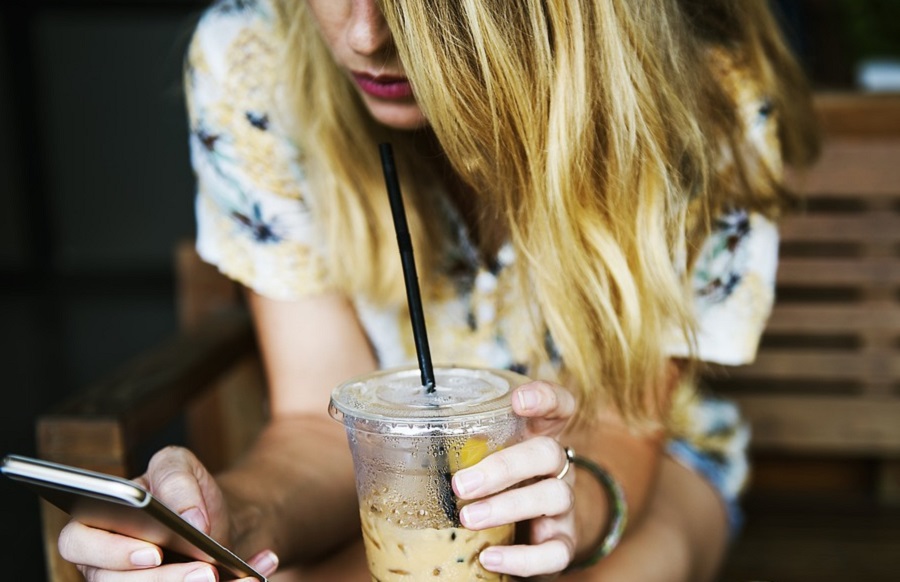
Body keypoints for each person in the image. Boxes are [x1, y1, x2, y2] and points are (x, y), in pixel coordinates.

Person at [58, 0, 819, 580]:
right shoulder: (254, 60)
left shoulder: (701, 94)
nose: (363, 35)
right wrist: (229, 516)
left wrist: (566, 506)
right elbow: (320, 425)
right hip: (394, 485)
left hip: (635, 466)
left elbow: (626, 426)